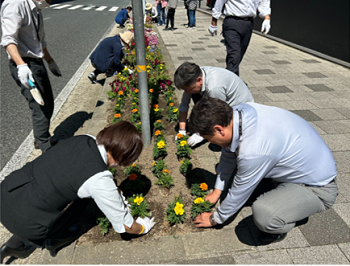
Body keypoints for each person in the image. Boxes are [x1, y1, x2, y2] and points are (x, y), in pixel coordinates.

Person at [0, 121, 156, 263]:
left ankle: (14, 244)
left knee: (58, 190)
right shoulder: (99, 179)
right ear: (123, 158)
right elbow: (126, 226)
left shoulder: (84, 139)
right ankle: (54, 239)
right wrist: (143, 227)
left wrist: (114, 192)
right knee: (84, 200)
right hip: (26, 224)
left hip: (7, 191)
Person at [189, 98, 338, 243]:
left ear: (219, 130)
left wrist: (215, 218)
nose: (209, 142)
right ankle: (280, 193)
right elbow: (228, 154)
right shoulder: (239, 113)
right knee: (241, 174)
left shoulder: (254, 150)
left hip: (318, 188)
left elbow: (240, 189)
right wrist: (217, 192)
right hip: (304, 164)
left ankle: (279, 226)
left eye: (209, 138)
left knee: (264, 215)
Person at [1, 0, 62, 152]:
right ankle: (46, 148)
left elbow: (40, 43)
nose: (50, 1)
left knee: (48, 102)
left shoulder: (36, 9)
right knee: (39, 108)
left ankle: (40, 138)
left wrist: (50, 62)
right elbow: (8, 40)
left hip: (37, 62)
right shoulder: (15, 4)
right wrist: (21, 66)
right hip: (24, 64)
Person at [173, 62, 253, 146]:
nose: (188, 92)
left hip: (242, 108)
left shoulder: (214, 88)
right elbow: (184, 105)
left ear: (199, 80)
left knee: (218, 142)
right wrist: (182, 130)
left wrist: (200, 134)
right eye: (185, 90)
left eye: (189, 89)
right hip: (224, 100)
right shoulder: (194, 77)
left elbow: (219, 113)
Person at [208, 0, 271, 76]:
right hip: (232, 21)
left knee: (239, 54)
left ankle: (228, 77)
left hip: (248, 23)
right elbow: (220, 2)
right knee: (234, 54)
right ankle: (233, 82)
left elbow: (264, 3)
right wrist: (213, 22)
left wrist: (267, 18)